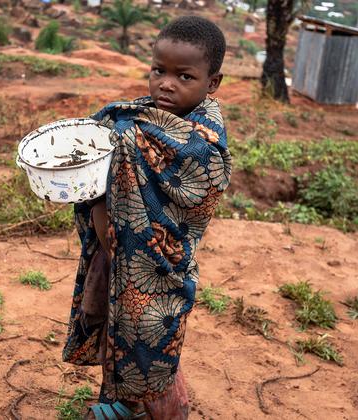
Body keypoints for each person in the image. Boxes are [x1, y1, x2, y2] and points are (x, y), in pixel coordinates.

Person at [61, 15, 231, 420]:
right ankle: (123, 404)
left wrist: (118, 147)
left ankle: (164, 413)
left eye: (184, 76)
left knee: (150, 340)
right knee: (118, 328)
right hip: (118, 250)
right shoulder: (138, 117)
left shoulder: (201, 139)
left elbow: (196, 186)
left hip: (156, 263)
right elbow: (104, 134)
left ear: (212, 83)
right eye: (159, 71)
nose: (166, 83)